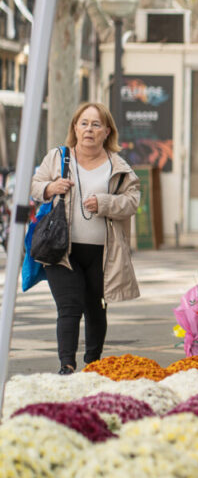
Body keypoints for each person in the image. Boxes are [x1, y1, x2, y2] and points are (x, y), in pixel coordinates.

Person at [30, 102, 140, 375]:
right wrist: (49, 187)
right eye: (84, 123)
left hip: (102, 252)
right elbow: (33, 185)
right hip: (60, 249)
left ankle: (94, 363)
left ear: (107, 131)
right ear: (75, 128)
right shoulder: (58, 157)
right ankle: (66, 365)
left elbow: (132, 201)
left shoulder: (119, 166)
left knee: (95, 307)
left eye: (96, 124)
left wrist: (105, 203)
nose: (89, 129)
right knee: (69, 306)